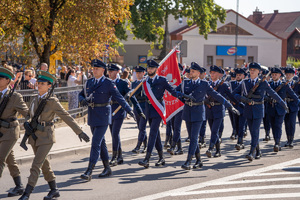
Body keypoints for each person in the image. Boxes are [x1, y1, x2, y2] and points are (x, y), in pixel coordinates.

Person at [19, 71, 90, 200]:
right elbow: (29, 114)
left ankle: (26, 194)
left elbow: (66, 116)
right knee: (44, 165)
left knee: (36, 165)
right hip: (34, 136)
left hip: (46, 137)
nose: (39, 85)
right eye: (39, 83)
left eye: (42, 83)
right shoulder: (35, 98)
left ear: (49, 86)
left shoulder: (52, 101)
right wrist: (26, 122)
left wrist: (79, 131)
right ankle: (54, 190)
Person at [79, 59, 136, 181]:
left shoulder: (108, 83)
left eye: (97, 69)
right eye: (93, 69)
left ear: (103, 70)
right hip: (92, 115)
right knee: (102, 143)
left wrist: (130, 111)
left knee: (95, 143)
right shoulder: (89, 82)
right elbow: (81, 94)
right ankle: (107, 168)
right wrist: (81, 99)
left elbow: (120, 98)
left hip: (104, 116)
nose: (94, 71)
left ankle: (89, 170)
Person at [176, 62, 239, 170]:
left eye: (193, 71)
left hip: (199, 113)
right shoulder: (185, 83)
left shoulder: (204, 84)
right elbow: (175, 92)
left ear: (198, 73)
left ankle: (188, 161)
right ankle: (199, 160)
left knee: (194, 138)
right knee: (192, 138)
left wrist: (229, 106)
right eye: (190, 71)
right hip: (187, 112)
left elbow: (217, 95)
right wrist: (182, 96)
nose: (190, 73)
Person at [138, 60, 194, 168]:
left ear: (156, 69)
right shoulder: (145, 81)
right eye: (148, 68)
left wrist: (184, 96)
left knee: (153, 132)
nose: (149, 70)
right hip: (148, 109)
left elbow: (173, 92)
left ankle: (147, 158)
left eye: (152, 68)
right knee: (156, 134)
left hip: (158, 108)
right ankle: (161, 158)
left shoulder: (162, 80)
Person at [233, 63, 288, 161]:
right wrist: (243, 99)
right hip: (248, 109)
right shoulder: (244, 82)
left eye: (254, 70)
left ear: (259, 72)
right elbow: (234, 93)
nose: (252, 71)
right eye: (251, 69)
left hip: (258, 110)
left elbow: (273, 94)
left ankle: (251, 152)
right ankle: (258, 151)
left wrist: (283, 104)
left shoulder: (263, 83)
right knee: (253, 132)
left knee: (255, 131)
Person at [107, 63, 143, 166]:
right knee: (113, 134)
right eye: (109, 71)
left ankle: (114, 157)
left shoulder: (122, 83)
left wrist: (137, 109)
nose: (109, 73)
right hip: (109, 110)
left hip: (119, 110)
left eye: (112, 71)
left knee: (115, 133)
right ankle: (120, 156)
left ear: (117, 72)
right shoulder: (107, 82)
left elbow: (131, 96)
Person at [0, 67, 28, 197]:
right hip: (0, 131)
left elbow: (27, 112)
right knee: (10, 159)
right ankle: (19, 186)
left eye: (0, 78)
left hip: (10, 131)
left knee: (0, 158)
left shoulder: (15, 96)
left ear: (7, 81)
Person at [205, 65, 240, 158]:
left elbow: (230, 96)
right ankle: (218, 150)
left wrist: (238, 104)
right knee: (214, 131)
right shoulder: (207, 84)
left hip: (219, 109)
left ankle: (210, 148)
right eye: (211, 73)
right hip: (209, 109)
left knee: (214, 130)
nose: (212, 75)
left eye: (214, 73)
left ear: (218, 74)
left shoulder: (223, 85)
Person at [266, 67, 299, 152]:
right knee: (273, 126)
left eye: (275, 74)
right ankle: (276, 141)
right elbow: (263, 95)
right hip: (271, 108)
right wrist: (267, 98)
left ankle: (278, 143)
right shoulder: (268, 84)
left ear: (279, 75)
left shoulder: (284, 85)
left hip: (281, 108)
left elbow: (293, 95)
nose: (274, 76)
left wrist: (298, 101)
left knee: (279, 125)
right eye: (272, 75)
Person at [167, 63, 185, 155]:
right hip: (171, 106)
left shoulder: (183, 80)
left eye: (178, 70)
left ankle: (173, 146)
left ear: (181, 71)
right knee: (174, 127)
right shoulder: (170, 80)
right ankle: (180, 148)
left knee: (177, 127)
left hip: (180, 106)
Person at [131, 66, 148, 153]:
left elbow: (138, 93)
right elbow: (131, 95)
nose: (138, 74)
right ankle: (145, 145)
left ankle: (138, 146)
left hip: (144, 106)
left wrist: (134, 93)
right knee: (140, 127)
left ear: (143, 73)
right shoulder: (134, 83)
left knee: (142, 127)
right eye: (136, 73)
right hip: (136, 106)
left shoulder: (145, 83)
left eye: (139, 73)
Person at [284, 67, 300, 148]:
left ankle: (291, 140)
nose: (288, 76)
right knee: (286, 123)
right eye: (287, 74)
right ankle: (288, 139)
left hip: (293, 105)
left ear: (293, 75)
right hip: (285, 105)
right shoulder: (283, 83)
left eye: (290, 74)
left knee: (292, 123)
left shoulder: (296, 84)